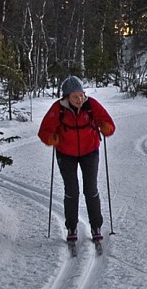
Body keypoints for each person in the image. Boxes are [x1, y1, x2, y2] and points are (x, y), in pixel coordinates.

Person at [38, 76, 116, 242]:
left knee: (91, 189)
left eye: (81, 95)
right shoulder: (58, 108)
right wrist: (50, 138)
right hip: (66, 154)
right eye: (75, 96)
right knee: (71, 191)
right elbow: (44, 130)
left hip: (90, 151)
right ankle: (71, 227)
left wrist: (106, 128)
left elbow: (108, 123)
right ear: (67, 96)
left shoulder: (91, 105)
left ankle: (96, 226)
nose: (79, 99)